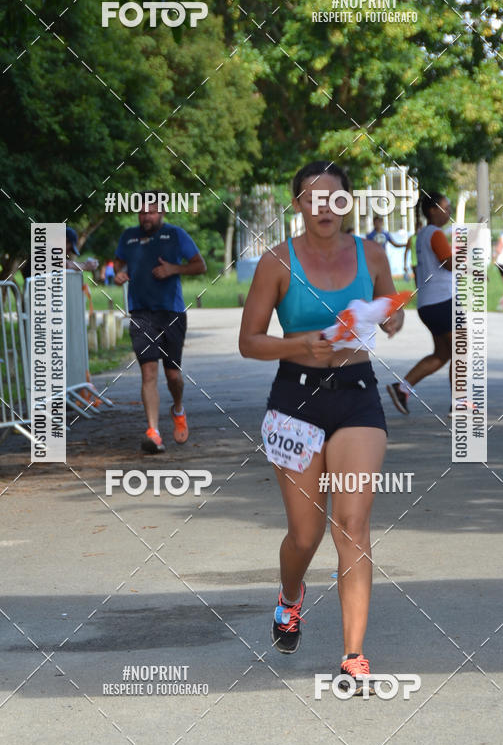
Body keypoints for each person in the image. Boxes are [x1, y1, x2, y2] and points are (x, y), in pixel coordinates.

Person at [239, 160, 404, 692]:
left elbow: (392, 305)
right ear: (298, 206)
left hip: (357, 399)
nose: (325, 208)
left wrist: (392, 315)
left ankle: (353, 654)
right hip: (295, 401)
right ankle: (291, 598)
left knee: (352, 524)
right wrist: (299, 344)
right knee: (305, 534)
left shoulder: (371, 255)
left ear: (347, 203)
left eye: (335, 199)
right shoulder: (276, 261)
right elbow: (249, 341)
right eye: (313, 199)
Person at [114, 195, 206, 453]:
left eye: (152, 212)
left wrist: (174, 270)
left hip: (171, 313)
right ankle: (153, 431)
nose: (146, 217)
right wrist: (118, 274)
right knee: (148, 373)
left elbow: (200, 266)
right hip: (141, 313)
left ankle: (178, 409)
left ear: (162, 213)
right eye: (142, 212)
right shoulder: (128, 237)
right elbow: (118, 262)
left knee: (173, 374)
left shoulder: (175, 235)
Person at [387, 192, 452, 415]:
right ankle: (461, 403)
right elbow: (449, 263)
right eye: (446, 207)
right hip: (444, 301)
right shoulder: (436, 234)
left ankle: (402, 387)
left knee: (443, 354)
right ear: (433, 210)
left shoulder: (422, 234)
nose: (449, 211)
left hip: (427, 304)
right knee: (461, 351)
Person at [404, 218, 424, 285]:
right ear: (416, 228)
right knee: (417, 280)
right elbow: (406, 252)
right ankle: (419, 293)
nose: (420, 229)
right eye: (419, 227)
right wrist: (405, 265)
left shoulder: (424, 238)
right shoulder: (411, 238)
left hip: (424, 262)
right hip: (415, 263)